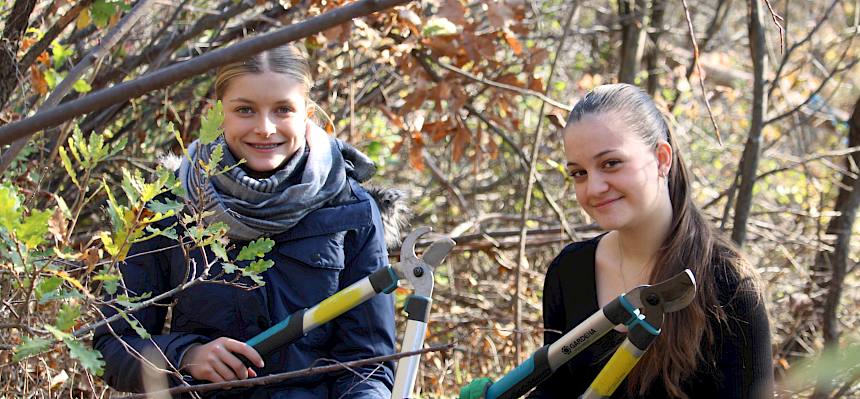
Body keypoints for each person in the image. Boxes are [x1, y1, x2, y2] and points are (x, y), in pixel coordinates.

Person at [93, 44, 400, 398]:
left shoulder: (353, 209)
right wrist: (187, 356)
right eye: (245, 110)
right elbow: (112, 347)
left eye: (283, 109)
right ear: (218, 113)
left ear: (307, 113)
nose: (265, 128)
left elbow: (367, 364)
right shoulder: (171, 203)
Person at [528, 84, 773, 398]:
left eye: (610, 163)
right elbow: (555, 389)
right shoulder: (569, 271)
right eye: (579, 173)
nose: (594, 188)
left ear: (661, 158)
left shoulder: (728, 283)